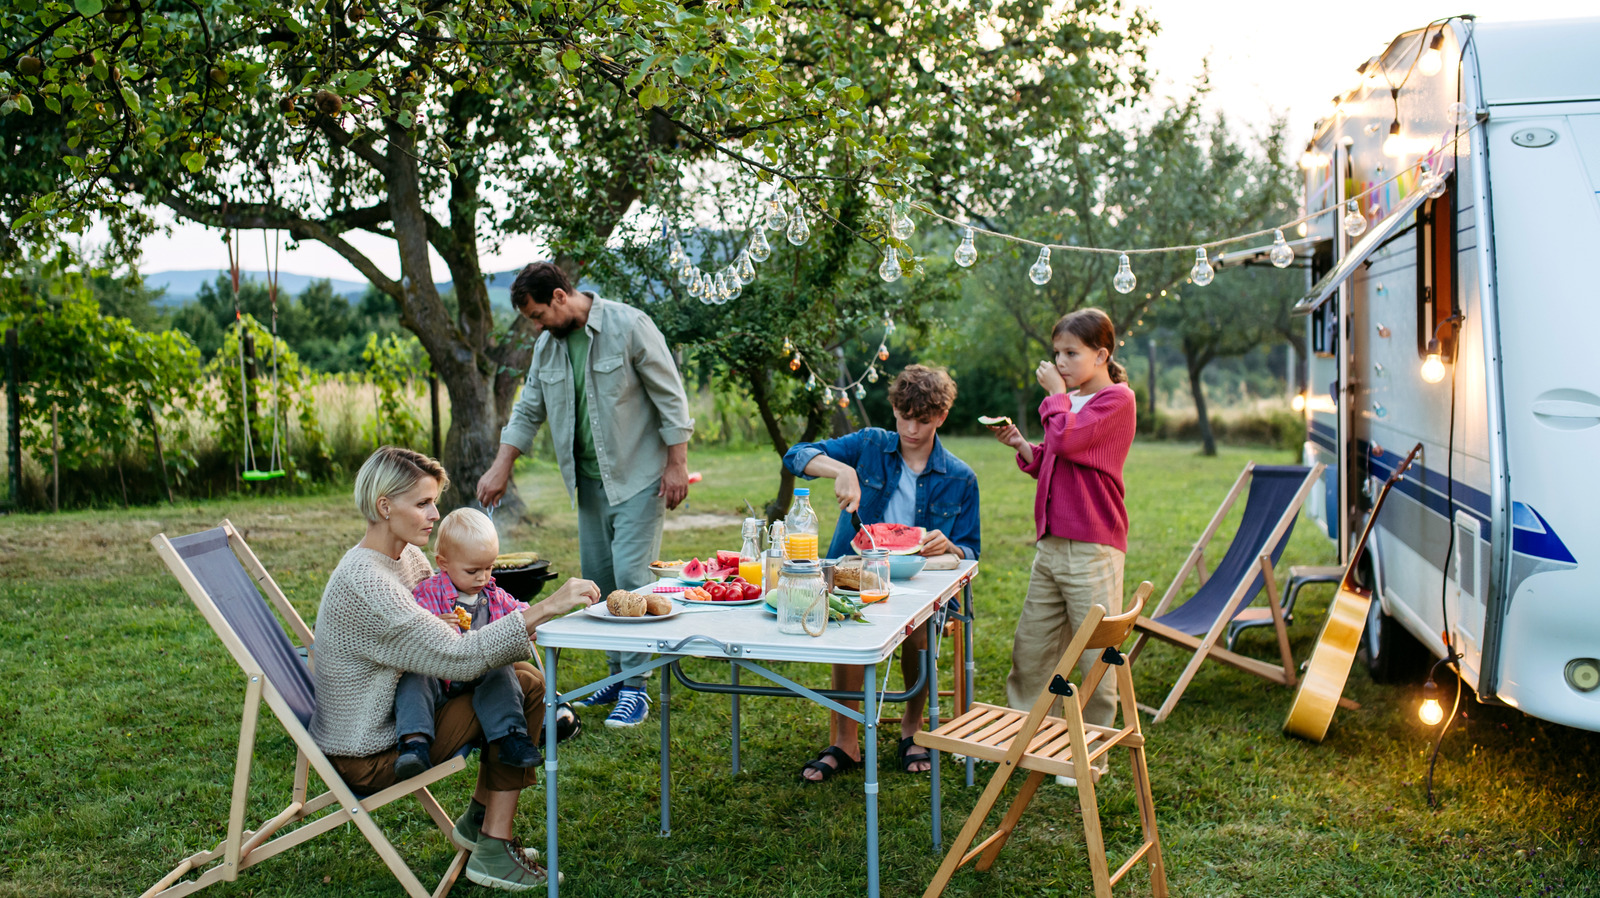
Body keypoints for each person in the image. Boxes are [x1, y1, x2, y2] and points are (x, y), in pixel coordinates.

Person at [311, 446, 601, 891]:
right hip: (372, 750)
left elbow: (453, 636)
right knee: (526, 689)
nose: (435, 513)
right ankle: (491, 847)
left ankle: (481, 824)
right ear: (385, 506)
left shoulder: (406, 557)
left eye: (434, 501)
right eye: (423, 503)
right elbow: (460, 657)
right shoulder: (368, 582)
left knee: (521, 679)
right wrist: (547, 607)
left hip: (405, 715)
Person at [476, 262, 693, 729]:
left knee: (632, 578)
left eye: (537, 315)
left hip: (639, 477)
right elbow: (529, 407)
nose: (536, 326)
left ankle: (636, 690)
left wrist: (678, 463)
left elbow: (671, 396)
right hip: (588, 484)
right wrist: (502, 463)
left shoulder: (629, 325)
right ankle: (616, 676)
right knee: (598, 581)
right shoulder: (546, 348)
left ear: (559, 296)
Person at [781, 364, 981, 782]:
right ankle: (846, 740)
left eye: (923, 420)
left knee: (922, 629)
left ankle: (912, 727)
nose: (911, 428)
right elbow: (796, 454)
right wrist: (841, 470)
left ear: (941, 417)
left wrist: (951, 546)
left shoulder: (962, 478)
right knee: (846, 629)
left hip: (923, 582)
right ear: (893, 408)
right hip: (854, 573)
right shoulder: (869, 445)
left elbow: (970, 550)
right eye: (904, 416)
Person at [989, 308, 1136, 784]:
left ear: (1102, 354)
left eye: (1072, 353)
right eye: (1057, 353)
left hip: (1093, 546)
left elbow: (1072, 445)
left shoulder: (1116, 401)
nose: (1062, 361)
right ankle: (1028, 740)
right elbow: (1058, 460)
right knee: (1032, 649)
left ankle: (1087, 755)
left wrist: (1055, 397)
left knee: (1094, 656)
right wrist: (1025, 448)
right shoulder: (1070, 403)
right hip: (1051, 545)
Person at [393, 508, 539, 781]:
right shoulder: (429, 593)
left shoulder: (493, 595)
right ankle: (414, 744)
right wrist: (435, 626)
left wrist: (532, 626)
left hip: (479, 677)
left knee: (501, 670)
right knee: (413, 679)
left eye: (489, 567)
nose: (482, 577)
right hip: (439, 678)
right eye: (473, 570)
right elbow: (411, 632)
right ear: (443, 563)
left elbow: (521, 613)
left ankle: (510, 737)